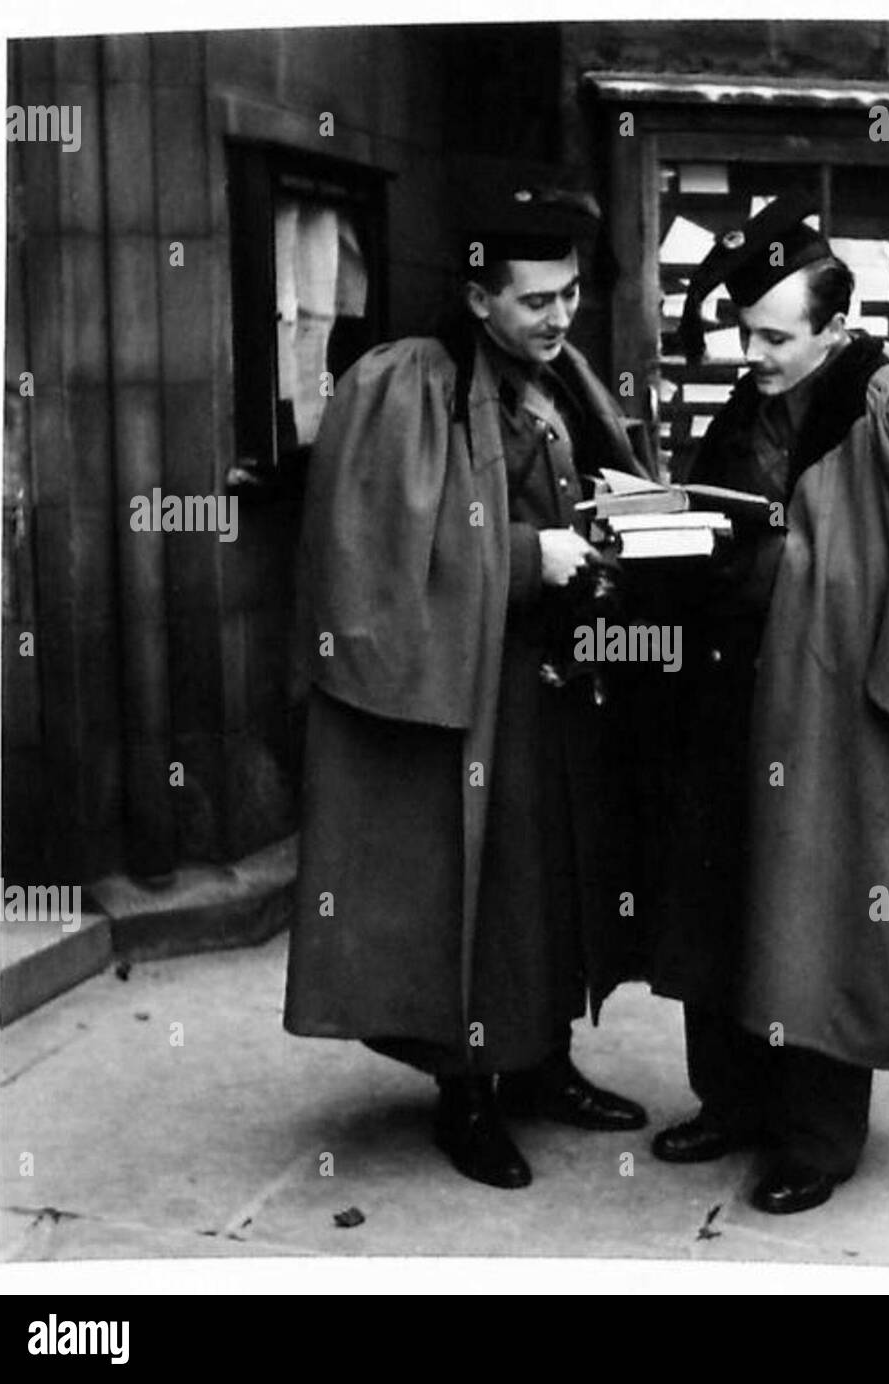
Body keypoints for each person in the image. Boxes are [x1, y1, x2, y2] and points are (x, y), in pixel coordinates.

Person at [647, 195, 889, 1214]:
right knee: (726, 893)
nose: (755, 352)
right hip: (732, 694)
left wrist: (796, 565)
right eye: (746, 332)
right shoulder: (744, 405)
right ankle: (730, 1101)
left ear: (835, 329)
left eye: (777, 336)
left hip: (834, 710)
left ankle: (817, 1137)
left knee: (815, 906)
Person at [284, 185, 651, 1190]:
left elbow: (605, 484)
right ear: (479, 296)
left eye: (571, 294)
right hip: (462, 691)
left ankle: (540, 1064)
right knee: (473, 889)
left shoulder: (568, 377)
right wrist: (534, 557)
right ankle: (469, 1094)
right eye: (536, 300)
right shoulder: (408, 385)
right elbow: (388, 557)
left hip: (554, 687)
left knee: (549, 880)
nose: (560, 316)